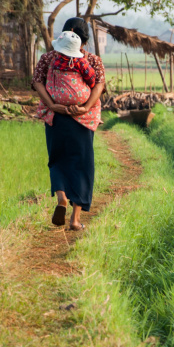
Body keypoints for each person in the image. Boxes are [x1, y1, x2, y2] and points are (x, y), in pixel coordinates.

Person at [32, 18, 105, 230]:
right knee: (81, 166)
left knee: (57, 160)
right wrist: (85, 107)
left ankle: (61, 198)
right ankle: (75, 220)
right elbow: (99, 85)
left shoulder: (48, 58)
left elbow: (37, 82)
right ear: (84, 40)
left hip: (56, 117)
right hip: (81, 118)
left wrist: (53, 105)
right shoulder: (91, 60)